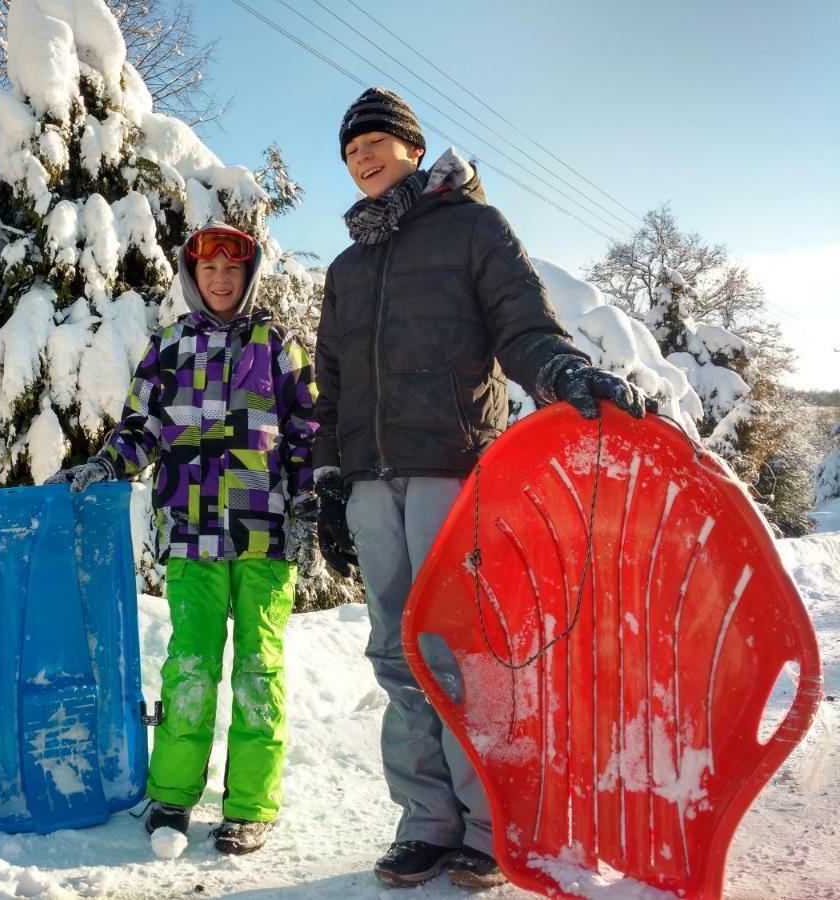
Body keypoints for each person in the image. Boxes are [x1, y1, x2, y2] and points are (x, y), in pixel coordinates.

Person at [314, 87, 651, 889]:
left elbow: (522, 325)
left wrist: (563, 369)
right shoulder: (347, 266)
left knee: (462, 655)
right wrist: (329, 478)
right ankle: (426, 823)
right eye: (351, 147)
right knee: (396, 655)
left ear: (412, 146)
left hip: (450, 471)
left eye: (376, 141)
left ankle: (490, 825)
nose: (362, 154)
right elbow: (329, 386)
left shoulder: (473, 228)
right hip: (370, 481)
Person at [47, 223, 319, 855]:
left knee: (259, 670)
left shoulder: (277, 345)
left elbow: (308, 433)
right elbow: (139, 428)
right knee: (189, 667)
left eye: (232, 270)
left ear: (248, 276)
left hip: (265, 534)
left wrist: (309, 504)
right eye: (208, 271)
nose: (220, 280)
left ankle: (251, 804)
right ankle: (171, 794)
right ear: (192, 277)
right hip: (191, 533)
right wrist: (106, 466)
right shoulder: (168, 346)